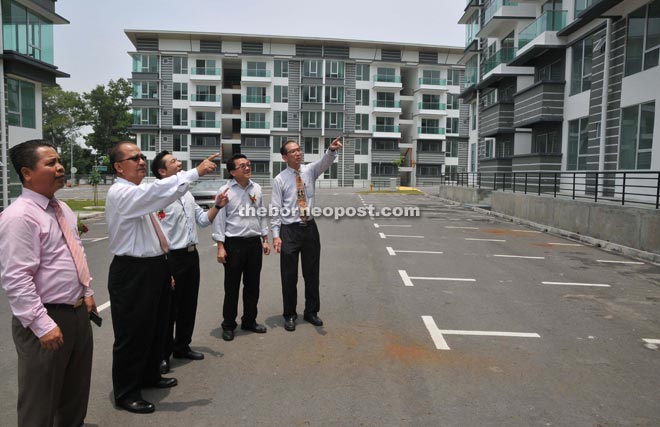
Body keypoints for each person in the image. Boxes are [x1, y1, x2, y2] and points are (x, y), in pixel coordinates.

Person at [105, 141, 219, 414]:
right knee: (132, 334)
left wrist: (163, 269)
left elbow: (162, 196)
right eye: (134, 158)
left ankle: (149, 376)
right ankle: (127, 392)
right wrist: (193, 173)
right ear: (119, 167)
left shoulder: (138, 190)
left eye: (142, 156)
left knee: (155, 328)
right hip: (133, 271)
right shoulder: (121, 193)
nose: (141, 161)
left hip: (155, 265)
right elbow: (160, 192)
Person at [0, 139, 96, 426]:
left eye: (59, 161)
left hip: (77, 313)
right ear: (27, 173)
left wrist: (87, 291)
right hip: (46, 319)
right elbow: (17, 278)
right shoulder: (18, 217)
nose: (60, 167)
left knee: (74, 398)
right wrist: (43, 325)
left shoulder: (62, 208)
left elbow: (73, 251)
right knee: (39, 404)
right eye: (50, 163)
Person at [151, 150, 228, 373]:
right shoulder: (158, 198)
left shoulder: (186, 194)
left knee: (188, 304)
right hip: (171, 258)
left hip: (190, 255)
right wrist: (165, 267)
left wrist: (218, 206)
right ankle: (163, 355)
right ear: (162, 171)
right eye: (173, 162)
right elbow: (156, 235)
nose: (179, 163)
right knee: (169, 309)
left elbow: (203, 221)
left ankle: (182, 346)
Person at [271, 137, 342, 331]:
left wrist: (331, 150)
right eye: (293, 151)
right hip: (289, 231)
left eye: (299, 150)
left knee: (312, 274)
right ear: (285, 157)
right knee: (289, 276)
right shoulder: (279, 180)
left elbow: (324, 162)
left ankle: (311, 312)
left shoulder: (310, 171)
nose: (298, 153)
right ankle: (290, 315)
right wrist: (276, 235)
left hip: (309, 228)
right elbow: (276, 209)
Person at [212, 154, 270, 341]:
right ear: (232, 171)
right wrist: (220, 246)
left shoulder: (257, 188)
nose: (247, 168)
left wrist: (265, 238)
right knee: (232, 287)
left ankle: (249, 320)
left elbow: (261, 214)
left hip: (254, 243)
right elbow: (219, 220)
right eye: (242, 165)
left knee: (253, 285)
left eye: (248, 165)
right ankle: (228, 324)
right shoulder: (225, 191)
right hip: (233, 244)